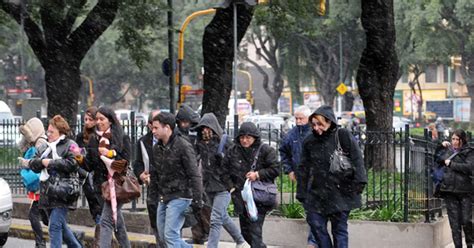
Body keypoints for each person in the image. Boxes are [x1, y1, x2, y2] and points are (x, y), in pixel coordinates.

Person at [297, 105, 367, 248]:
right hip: (318, 193)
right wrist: (302, 192)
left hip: (341, 192)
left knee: (339, 230)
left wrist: (359, 182)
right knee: (316, 225)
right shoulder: (309, 141)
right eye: (314, 124)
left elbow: (357, 159)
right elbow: (303, 167)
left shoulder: (342, 135)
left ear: (329, 122)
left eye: (320, 124)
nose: (316, 128)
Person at [22, 115, 82, 248]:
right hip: (48, 193)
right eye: (47, 131)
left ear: (61, 132)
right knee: (62, 228)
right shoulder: (45, 147)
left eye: (51, 132)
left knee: (54, 226)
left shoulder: (71, 145)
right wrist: (41, 162)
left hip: (64, 192)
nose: (48, 134)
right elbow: (34, 163)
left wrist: (50, 163)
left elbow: (74, 163)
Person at [192, 113, 249, 248]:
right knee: (222, 216)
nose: (205, 131)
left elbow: (236, 161)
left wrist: (224, 161)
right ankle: (241, 241)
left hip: (223, 186)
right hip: (208, 186)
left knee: (215, 219)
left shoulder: (225, 142)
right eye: (202, 128)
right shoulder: (199, 143)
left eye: (208, 128)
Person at [150, 112, 203, 247]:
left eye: (156, 128)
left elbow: (194, 174)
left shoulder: (183, 145)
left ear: (167, 127)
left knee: (170, 235)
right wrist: (152, 197)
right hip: (164, 196)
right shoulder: (157, 148)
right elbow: (155, 173)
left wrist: (197, 200)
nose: (153, 131)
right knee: (163, 236)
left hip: (181, 195)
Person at [223, 122, 279, 248]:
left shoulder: (266, 150)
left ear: (255, 137)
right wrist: (231, 187)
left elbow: (275, 169)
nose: (244, 140)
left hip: (259, 197)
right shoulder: (233, 151)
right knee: (246, 233)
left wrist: (258, 174)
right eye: (242, 137)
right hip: (240, 197)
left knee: (255, 232)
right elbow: (224, 171)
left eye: (248, 137)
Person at [85, 107, 131, 248]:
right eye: (97, 119)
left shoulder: (122, 138)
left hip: (116, 186)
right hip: (101, 187)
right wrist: (79, 158)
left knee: (105, 221)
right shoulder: (95, 139)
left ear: (110, 120)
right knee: (117, 223)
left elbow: (125, 163)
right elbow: (90, 165)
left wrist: (110, 154)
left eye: (102, 119)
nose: (98, 122)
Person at [278, 105, 317, 248]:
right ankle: (314, 238)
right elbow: (284, 153)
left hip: (316, 177)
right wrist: (289, 171)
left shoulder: (314, 132)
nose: (298, 121)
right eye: (296, 118)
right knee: (309, 209)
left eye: (301, 118)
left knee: (314, 209)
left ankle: (313, 241)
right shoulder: (291, 135)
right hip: (301, 177)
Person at [71, 106, 104, 247]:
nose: (87, 122)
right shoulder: (80, 136)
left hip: (100, 176)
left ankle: (99, 242)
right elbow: (77, 156)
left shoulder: (100, 136)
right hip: (86, 176)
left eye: (90, 119)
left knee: (102, 211)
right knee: (94, 208)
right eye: (85, 119)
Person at [132, 109, 164, 247]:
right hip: (152, 189)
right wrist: (141, 175)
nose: (157, 128)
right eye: (155, 124)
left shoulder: (171, 140)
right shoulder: (143, 141)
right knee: (156, 222)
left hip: (169, 188)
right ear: (150, 125)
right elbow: (137, 163)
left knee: (170, 226)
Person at [436, 129, 473, 248]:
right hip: (449, 191)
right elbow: (436, 160)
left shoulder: (469, 152)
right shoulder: (447, 151)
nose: (455, 142)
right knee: (454, 224)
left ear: (463, 140)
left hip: (465, 192)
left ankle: (470, 243)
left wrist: (452, 164)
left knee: (466, 221)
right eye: (453, 139)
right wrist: (440, 147)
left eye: (458, 139)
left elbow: (469, 167)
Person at [18, 117, 49, 248]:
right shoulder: (33, 142)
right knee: (49, 219)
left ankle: (40, 243)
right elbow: (21, 149)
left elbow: (37, 162)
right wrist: (26, 136)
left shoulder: (42, 142)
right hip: (40, 187)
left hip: (43, 185)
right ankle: (75, 236)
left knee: (34, 215)